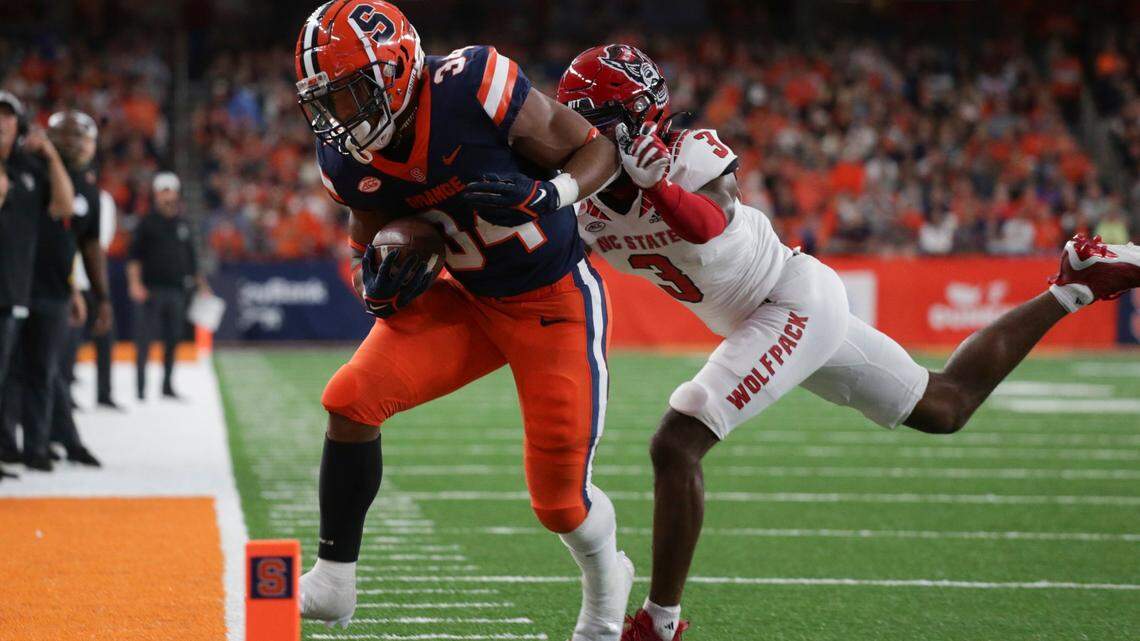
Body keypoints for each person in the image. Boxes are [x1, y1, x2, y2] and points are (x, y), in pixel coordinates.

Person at [557, 45, 1140, 641]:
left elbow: (714, 221)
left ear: (637, 117)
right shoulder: (587, 197)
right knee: (945, 406)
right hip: (765, 321)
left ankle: (660, 624)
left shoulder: (691, 155)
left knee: (678, 441)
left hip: (792, 298)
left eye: (595, 123)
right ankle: (1074, 285)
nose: (581, 136)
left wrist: (655, 188)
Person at [292, 3, 628, 639]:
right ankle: (334, 580)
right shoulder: (346, 161)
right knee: (351, 399)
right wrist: (380, 276)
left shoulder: (473, 86)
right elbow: (367, 242)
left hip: (549, 299)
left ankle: (607, 586)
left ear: (396, 71)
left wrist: (551, 194)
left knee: (560, 505)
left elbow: (596, 149)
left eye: (351, 94)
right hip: (464, 299)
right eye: (325, 101)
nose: (339, 116)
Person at [0, 91, 76, 472]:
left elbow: (64, 206)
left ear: (19, 123)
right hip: (13, 289)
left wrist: (52, 155)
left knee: (28, 373)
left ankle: (32, 447)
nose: (1, 123)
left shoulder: (29, 167)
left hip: (16, 289)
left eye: (7, 116)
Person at [127, 172, 207, 401]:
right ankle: (140, 389)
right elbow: (134, 258)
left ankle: (167, 386)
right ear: (156, 194)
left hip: (177, 290)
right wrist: (135, 284)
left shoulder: (183, 223)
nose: (167, 196)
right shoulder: (146, 222)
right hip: (151, 290)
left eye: (170, 190)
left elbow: (192, 259)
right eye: (163, 191)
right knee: (144, 341)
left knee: (173, 339)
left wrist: (202, 285)